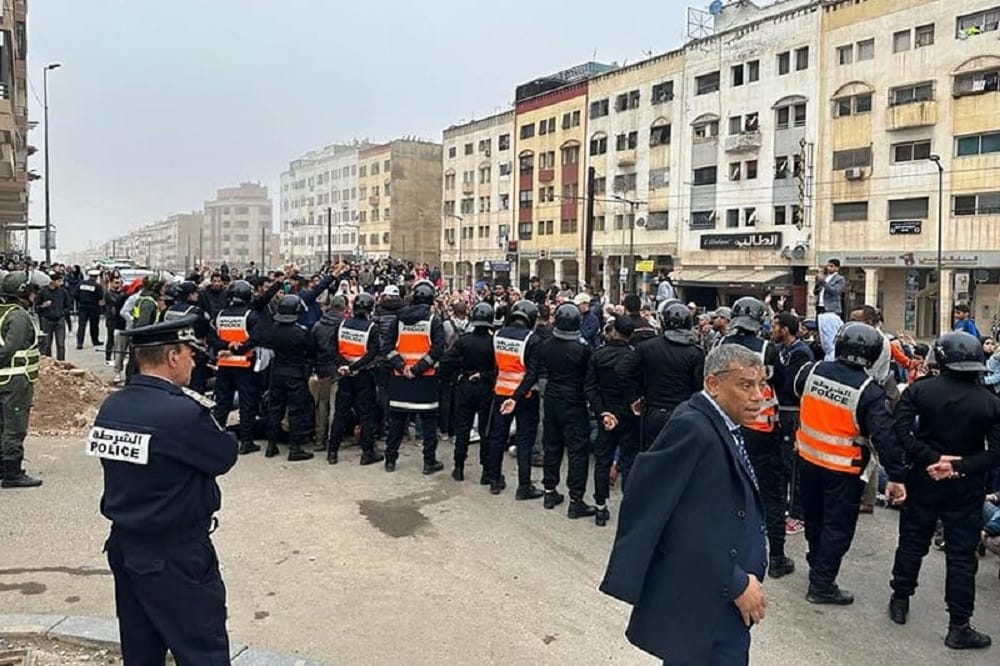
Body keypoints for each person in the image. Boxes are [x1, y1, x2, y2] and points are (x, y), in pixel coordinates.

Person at [600, 345, 768, 665]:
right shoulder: (693, 427)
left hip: (720, 602)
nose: (758, 395)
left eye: (760, 384)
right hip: (706, 599)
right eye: (746, 385)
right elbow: (672, 520)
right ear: (713, 384)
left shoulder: (725, 425)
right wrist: (736, 582)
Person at [92, 316, 238, 664]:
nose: (193, 362)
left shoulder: (112, 406)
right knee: (202, 650)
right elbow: (223, 455)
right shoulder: (182, 413)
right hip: (176, 552)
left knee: (141, 649)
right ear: (173, 356)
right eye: (190, 354)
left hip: (126, 545)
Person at [888, 331, 1000, 649]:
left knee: (912, 542)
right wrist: (958, 466)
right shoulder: (990, 402)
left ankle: (900, 599)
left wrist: (932, 459)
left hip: (924, 478)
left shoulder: (921, 391)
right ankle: (959, 625)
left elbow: (899, 430)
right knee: (962, 556)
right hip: (966, 485)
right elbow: (996, 453)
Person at [794, 322, 907, 605]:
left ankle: (816, 565)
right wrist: (896, 474)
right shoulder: (869, 391)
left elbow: (794, 390)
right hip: (843, 469)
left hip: (807, 460)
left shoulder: (811, 370)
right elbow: (884, 437)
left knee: (815, 518)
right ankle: (821, 585)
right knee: (838, 527)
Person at [721, 297, 795, 578]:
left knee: (728, 490)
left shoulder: (720, 346)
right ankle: (776, 557)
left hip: (728, 428)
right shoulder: (768, 350)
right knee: (771, 495)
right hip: (761, 431)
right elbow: (782, 383)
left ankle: (728, 549)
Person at [383, 280, 446, 474]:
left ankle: (390, 461)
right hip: (425, 381)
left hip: (400, 380)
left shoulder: (398, 319)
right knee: (428, 426)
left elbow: (387, 348)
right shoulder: (433, 321)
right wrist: (417, 369)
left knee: (396, 423)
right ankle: (429, 462)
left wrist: (402, 367)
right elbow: (437, 349)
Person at [484, 299, 544, 498]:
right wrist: (518, 396)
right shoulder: (532, 339)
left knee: (497, 437)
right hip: (525, 396)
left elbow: (494, 367)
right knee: (525, 441)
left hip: (501, 393)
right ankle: (524, 487)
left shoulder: (498, 335)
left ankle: (494, 480)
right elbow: (532, 373)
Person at [539, 303, 594, 518]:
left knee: (551, 445)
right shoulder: (582, 348)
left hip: (552, 396)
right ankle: (576, 500)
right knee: (577, 451)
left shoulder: (547, 344)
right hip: (574, 399)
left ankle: (549, 491)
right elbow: (587, 376)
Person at [585, 315, 639, 524]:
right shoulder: (634, 358)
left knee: (602, 459)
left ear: (614, 331)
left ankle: (600, 507)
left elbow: (590, 387)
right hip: (628, 415)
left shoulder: (599, 355)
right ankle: (629, 507)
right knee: (629, 461)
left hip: (606, 414)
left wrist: (602, 411)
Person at [632, 302, 705, 454]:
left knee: (652, 457)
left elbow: (628, 373)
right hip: (683, 412)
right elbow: (699, 386)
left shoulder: (646, 348)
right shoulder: (695, 353)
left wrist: (636, 395)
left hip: (654, 411)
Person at [252, 294, 315, 461]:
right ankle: (295, 449)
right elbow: (311, 351)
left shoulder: (272, 329)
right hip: (295, 375)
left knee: (275, 410)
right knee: (296, 411)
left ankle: (271, 446)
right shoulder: (300, 332)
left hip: (277, 373)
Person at [439, 301, 496, 481]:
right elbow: (499, 368)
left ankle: (459, 467)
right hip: (486, 387)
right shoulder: (493, 343)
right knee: (485, 429)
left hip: (465, 386)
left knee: (462, 427)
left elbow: (446, 361)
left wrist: (457, 375)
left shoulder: (463, 341)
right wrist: (485, 374)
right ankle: (486, 471)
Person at [0, 271, 46, 488]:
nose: (34, 296)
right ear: (23, 292)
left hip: (5, 380)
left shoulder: (3, 312)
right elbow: (10, 348)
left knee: (2, 425)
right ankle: (12, 472)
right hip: (15, 381)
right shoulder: (18, 316)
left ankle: (3, 467)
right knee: (14, 426)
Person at [326, 292, 383, 466]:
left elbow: (331, 348)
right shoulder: (371, 328)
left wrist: (343, 366)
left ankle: (332, 452)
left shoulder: (342, 325)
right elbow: (371, 354)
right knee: (366, 415)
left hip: (344, 375)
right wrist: (353, 368)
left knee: (340, 415)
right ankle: (367, 453)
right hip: (362, 376)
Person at [771, 312, 813, 534]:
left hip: (794, 412)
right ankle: (785, 506)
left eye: (775, 326)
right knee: (783, 462)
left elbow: (791, 384)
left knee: (794, 463)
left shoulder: (800, 352)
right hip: (782, 409)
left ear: (785, 329)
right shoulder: (781, 350)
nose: (772, 330)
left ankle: (798, 514)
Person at [211, 280, 263, 455]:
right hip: (245, 365)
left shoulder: (220, 315)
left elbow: (213, 340)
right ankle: (246, 441)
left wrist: (227, 346)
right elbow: (255, 339)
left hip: (224, 364)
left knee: (222, 403)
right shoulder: (251, 315)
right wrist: (238, 347)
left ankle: (216, 438)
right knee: (247, 404)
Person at [310, 295, 347, 452]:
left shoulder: (318, 325)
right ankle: (333, 439)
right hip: (337, 369)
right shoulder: (343, 326)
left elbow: (312, 349)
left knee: (321, 405)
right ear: (343, 308)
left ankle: (319, 439)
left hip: (321, 369)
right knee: (334, 406)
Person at [164, 281, 214, 394]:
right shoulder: (194, 312)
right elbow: (205, 331)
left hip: (169, 351)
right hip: (192, 352)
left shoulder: (169, 310)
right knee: (195, 386)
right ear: (190, 295)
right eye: (195, 293)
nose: (197, 295)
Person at [813, 259, 846, 361]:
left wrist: (823, 282)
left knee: (830, 333)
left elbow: (835, 291)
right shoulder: (825, 277)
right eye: (828, 266)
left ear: (837, 268)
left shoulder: (840, 279)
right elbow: (815, 292)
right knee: (820, 332)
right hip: (821, 307)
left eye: (831, 266)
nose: (828, 268)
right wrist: (818, 283)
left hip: (831, 309)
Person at [36, 270, 72, 361]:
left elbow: (68, 306)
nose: (61, 283)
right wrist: (43, 306)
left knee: (61, 344)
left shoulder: (63, 292)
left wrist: (63, 313)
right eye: (59, 281)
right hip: (47, 320)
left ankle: (61, 363)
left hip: (59, 320)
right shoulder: (43, 292)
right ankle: (48, 363)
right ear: (52, 281)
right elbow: (36, 308)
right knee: (47, 345)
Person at [76, 269, 104, 350]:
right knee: (94, 325)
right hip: (93, 307)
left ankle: (79, 343)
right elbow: (100, 297)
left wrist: (81, 301)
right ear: (96, 277)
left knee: (81, 325)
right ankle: (95, 341)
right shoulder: (97, 286)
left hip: (82, 307)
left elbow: (75, 294)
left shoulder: (81, 284)